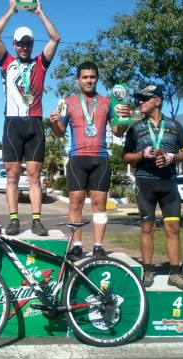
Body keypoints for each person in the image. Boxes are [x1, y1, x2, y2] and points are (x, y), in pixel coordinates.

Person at [0, 0, 61, 236]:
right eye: (20, 43)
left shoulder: (40, 63)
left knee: (34, 176)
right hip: (12, 123)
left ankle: (37, 220)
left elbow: (55, 38)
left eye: (28, 43)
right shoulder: (6, 62)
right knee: (12, 175)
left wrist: (39, 12)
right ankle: (13, 220)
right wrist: (11, 10)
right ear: (14, 44)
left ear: (32, 45)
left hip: (34, 123)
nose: (23, 46)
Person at [49, 62, 130, 258]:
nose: (88, 80)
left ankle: (98, 246)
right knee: (75, 203)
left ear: (97, 78)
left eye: (92, 77)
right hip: (77, 157)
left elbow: (117, 132)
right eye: (84, 77)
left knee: (99, 204)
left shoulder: (108, 102)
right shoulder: (66, 102)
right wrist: (53, 123)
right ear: (77, 80)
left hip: (100, 158)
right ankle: (77, 245)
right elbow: (59, 132)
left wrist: (125, 120)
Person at [122, 85, 183, 292]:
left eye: (145, 98)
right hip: (145, 184)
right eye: (139, 99)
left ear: (158, 101)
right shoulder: (135, 128)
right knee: (148, 228)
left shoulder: (174, 126)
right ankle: (147, 270)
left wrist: (172, 157)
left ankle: (175, 274)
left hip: (168, 183)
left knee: (173, 228)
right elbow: (125, 157)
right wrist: (142, 154)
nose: (140, 102)